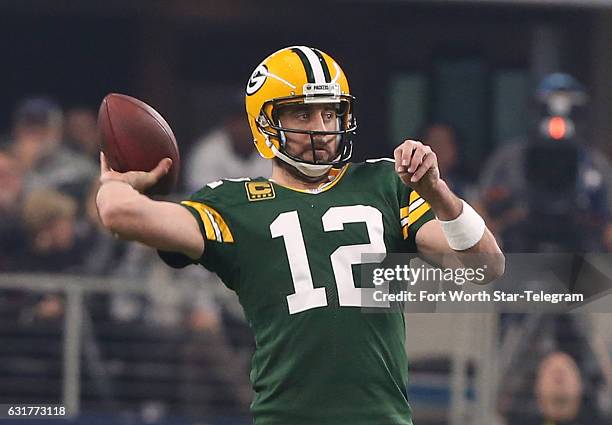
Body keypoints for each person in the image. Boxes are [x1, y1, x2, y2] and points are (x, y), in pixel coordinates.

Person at [96, 46, 504, 425]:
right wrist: (117, 180)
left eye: (330, 114)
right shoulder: (237, 204)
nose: (322, 129)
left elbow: (486, 266)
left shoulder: (383, 183)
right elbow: (119, 214)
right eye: (303, 115)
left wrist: (439, 192)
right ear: (266, 122)